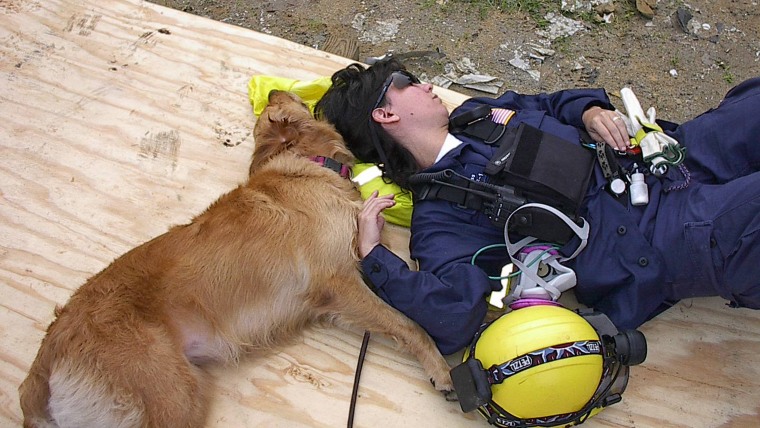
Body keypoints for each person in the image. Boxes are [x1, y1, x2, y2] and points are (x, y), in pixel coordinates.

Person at [315, 58, 760, 355]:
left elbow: (549, 103)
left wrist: (588, 111)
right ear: (385, 115)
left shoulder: (476, 113)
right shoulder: (443, 215)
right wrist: (375, 258)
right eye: (407, 84)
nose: (427, 84)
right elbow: (451, 316)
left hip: (667, 159)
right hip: (663, 234)